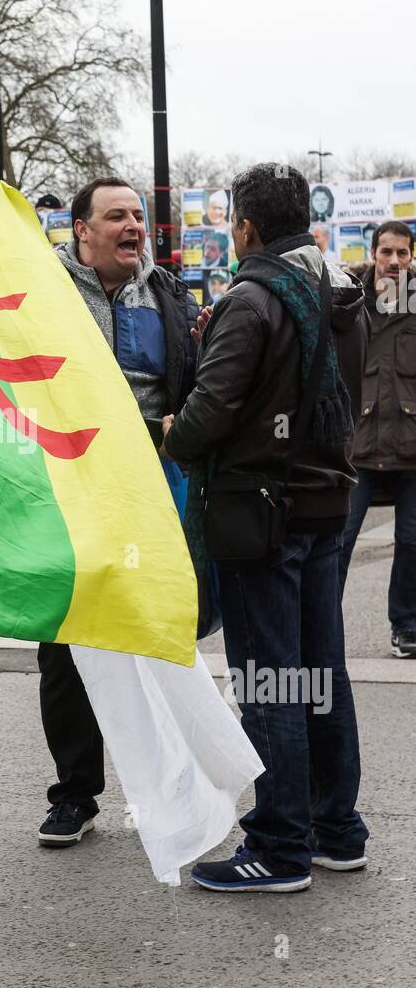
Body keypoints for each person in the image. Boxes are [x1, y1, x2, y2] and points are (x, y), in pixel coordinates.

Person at [163, 162, 368, 892]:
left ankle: (280, 846)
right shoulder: (341, 288)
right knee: (320, 672)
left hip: (260, 514)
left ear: (245, 226)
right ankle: (335, 828)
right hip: (325, 506)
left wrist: (171, 430)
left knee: (271, 679)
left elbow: (210, 414)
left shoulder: (251, 298)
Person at [37, 176, 200, 847]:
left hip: (151, 492)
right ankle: (74, 795)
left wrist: (182, 427)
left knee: (156, 635)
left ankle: (172, 790)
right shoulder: (38, 294)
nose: (134, 225)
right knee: (64, 642)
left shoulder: (170, 297)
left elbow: (197, 383)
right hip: (66, 490)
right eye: (116, 216)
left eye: (138, 215)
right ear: (82, 230)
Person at [339, 220, 416, 658]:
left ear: (411, 257)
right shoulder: (348, 300)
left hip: (411, 448)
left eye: (402, 253)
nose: (393, 261)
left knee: (411, 541)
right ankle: (321, 624)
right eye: (385, 252)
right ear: (373, 254)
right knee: (337, 542)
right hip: (358, 447)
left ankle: (406, 627)